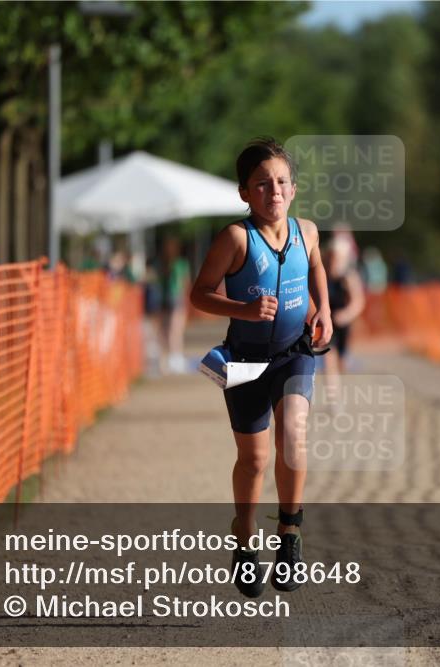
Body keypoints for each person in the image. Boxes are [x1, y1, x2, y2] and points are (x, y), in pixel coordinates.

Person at [190, 137, 332, 598]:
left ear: (293, 190)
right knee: (253, 459)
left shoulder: (307, 231)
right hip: (245, 359)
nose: (274, 190)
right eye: (262, 184)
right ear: (244, 193)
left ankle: (289, 534)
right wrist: (245, 311)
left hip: (294, 352)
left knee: (293, 435)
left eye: (281, 182)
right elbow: (199, 293)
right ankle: (246, 539)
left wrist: (324, 310)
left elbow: (315, 268)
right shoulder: (235, 239)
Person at [324, 234, 366, 374]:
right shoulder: (322, 275)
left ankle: (341, 377)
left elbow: (358, 302)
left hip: (344, 323)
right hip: (328, 320)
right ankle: (332, 390)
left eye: (336, 257)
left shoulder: (349, 277)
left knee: (342, 361)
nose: (333, 261)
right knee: (329, 354)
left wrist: (346, 315)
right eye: (331, 256)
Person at [157, 235, 190, 374]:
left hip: (172, 298)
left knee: (171, 329)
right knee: (172, 330)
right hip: (172, 298)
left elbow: (184, 282)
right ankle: (173, 357)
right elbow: (185, 282)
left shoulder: (175, 264)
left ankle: (173, 357)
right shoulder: (171, 264)